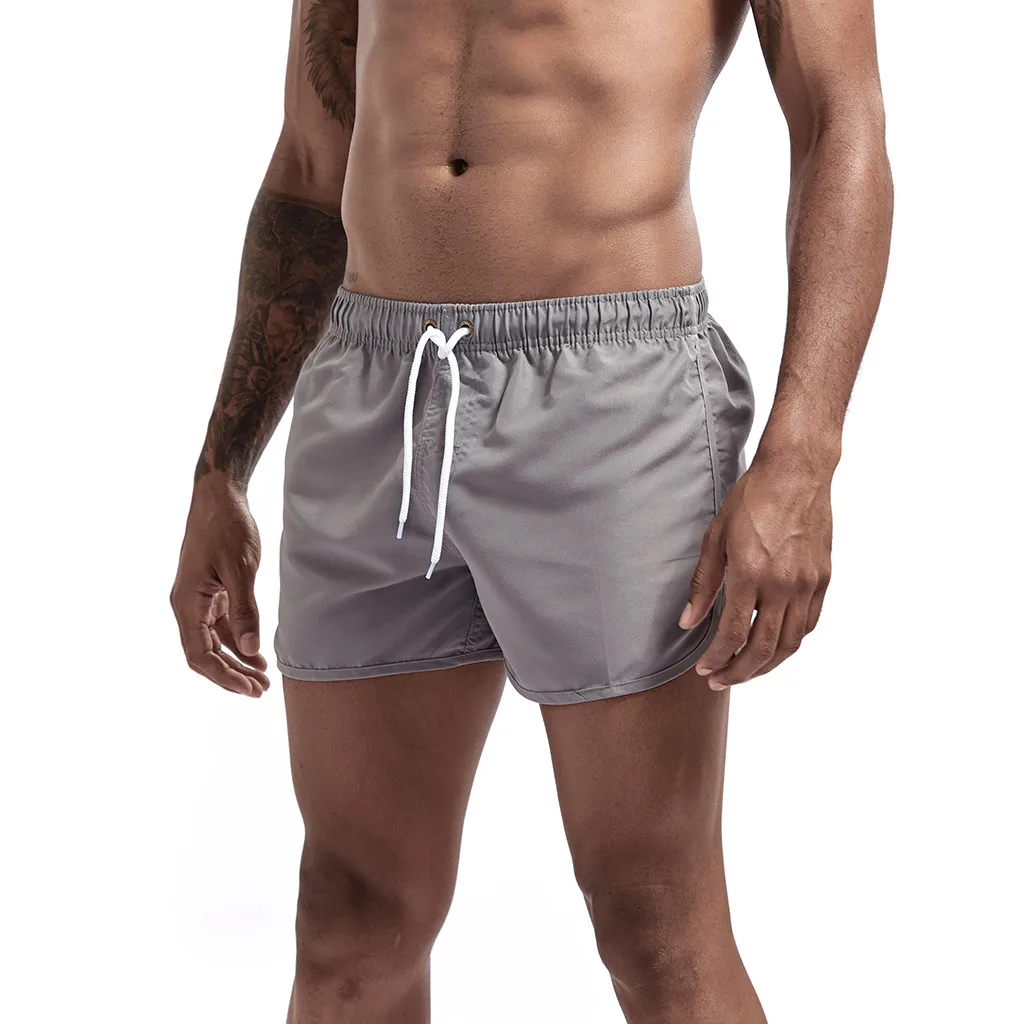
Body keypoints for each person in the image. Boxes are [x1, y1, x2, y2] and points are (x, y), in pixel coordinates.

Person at [171, 0, 892, 1018]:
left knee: (652, 918)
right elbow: (308, 162)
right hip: (373, 390)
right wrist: (221, 471)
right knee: (350, 911)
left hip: (613, 392)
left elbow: (839, 118)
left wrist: (804, 454)